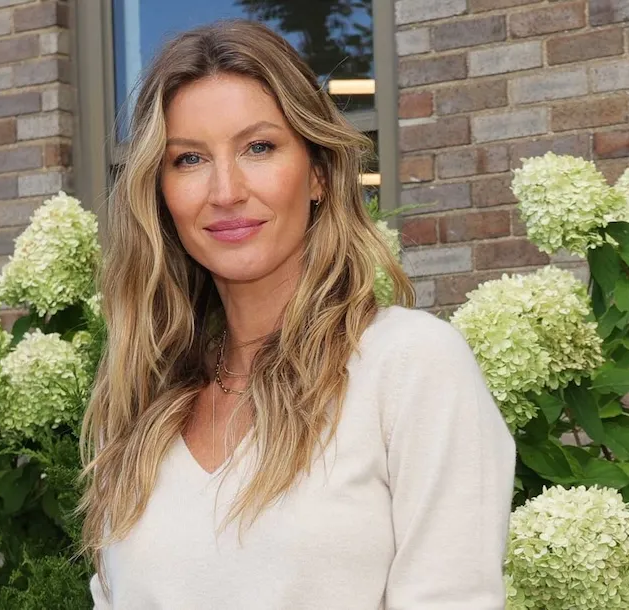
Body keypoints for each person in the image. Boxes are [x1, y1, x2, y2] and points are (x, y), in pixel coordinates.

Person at [79, 19, 516, 610]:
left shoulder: (409, 366)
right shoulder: (138, 402)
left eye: (258, 147)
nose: (226, 190)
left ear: (316, 172)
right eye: (189, 159)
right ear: (159, 193)